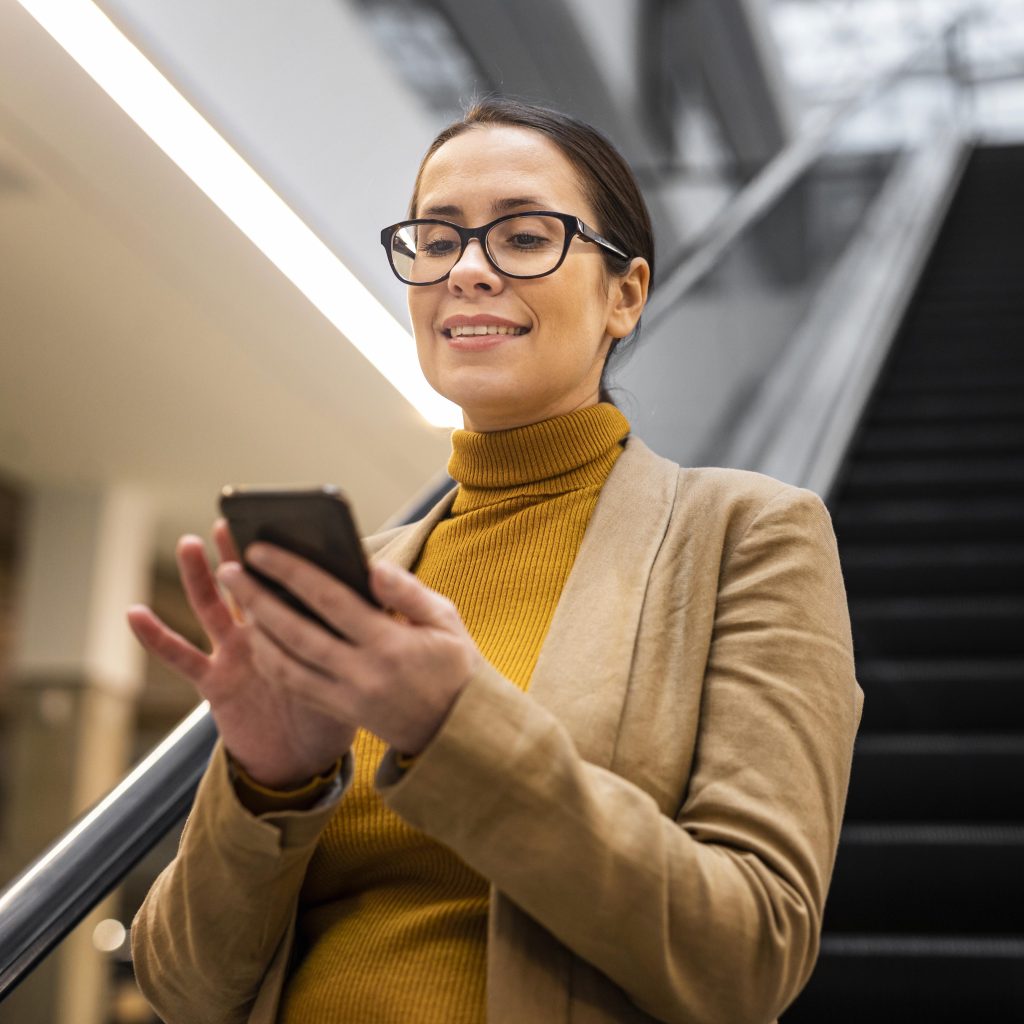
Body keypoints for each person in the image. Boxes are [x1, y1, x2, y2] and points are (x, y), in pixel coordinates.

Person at [128, 97, 862, 1024]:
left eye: (524, 237)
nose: (466, 271)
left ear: (624, 296)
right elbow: (186, 989)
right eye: (435, 240)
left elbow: (751, 955)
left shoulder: (747, 536)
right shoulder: (364, 577)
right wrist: (271, 784)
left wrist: (452, 726)